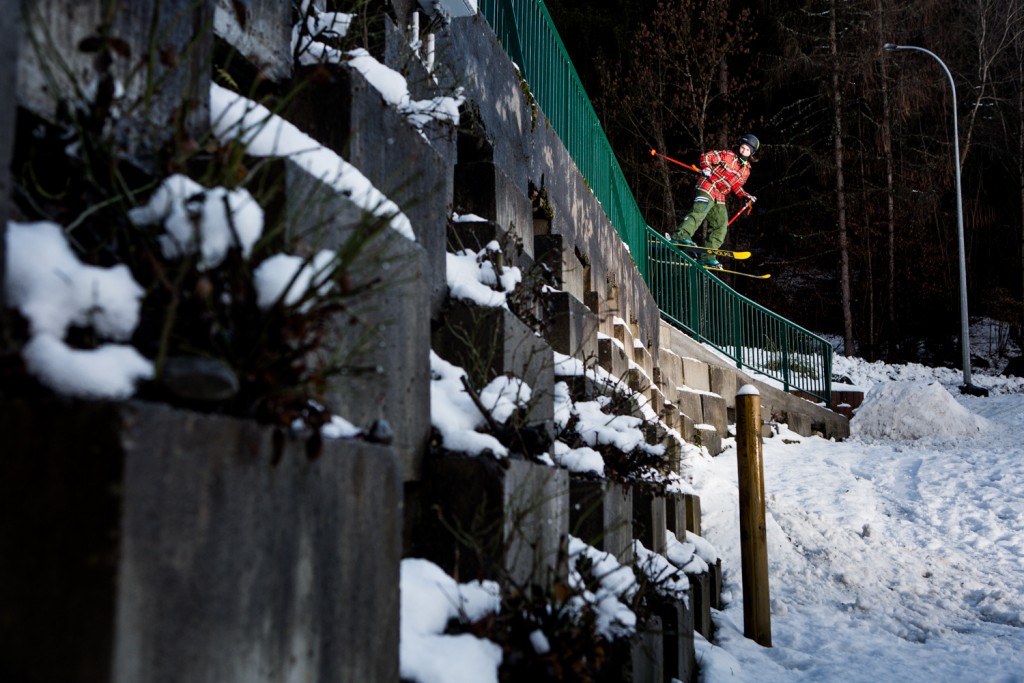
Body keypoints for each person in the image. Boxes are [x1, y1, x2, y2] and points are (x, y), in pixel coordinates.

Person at [671, 133, 759, 269]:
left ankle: (707, 256)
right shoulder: (728, 155)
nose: (744, 151)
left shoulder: (746, 171)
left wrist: (745, 196)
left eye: (747, 150)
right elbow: (706, 157)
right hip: (708, 186)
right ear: (739, 146)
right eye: (743, 148)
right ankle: (680, 236)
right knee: (700, 211)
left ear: (751, 153)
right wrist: (706, 167)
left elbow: (736, 186)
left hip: (719, 196)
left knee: (721, 225)